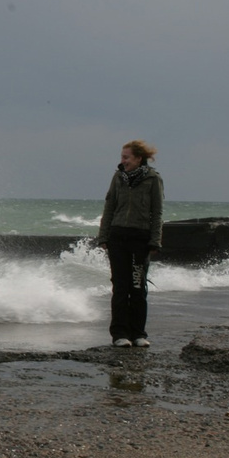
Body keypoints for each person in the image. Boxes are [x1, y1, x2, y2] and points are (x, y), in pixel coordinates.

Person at [97, 140, 164, 347]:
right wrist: (103, 236)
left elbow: (157, 212)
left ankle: (138, 334)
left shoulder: (153, 179)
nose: (122, 161)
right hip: (117, 237)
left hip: (140, 239)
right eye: (122, 157)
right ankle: (119, 335)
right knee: (120, 287)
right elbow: (109, 207)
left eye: (126, 157)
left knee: (137, 287)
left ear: (138, 158)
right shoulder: (118, 178)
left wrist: (155, 240)